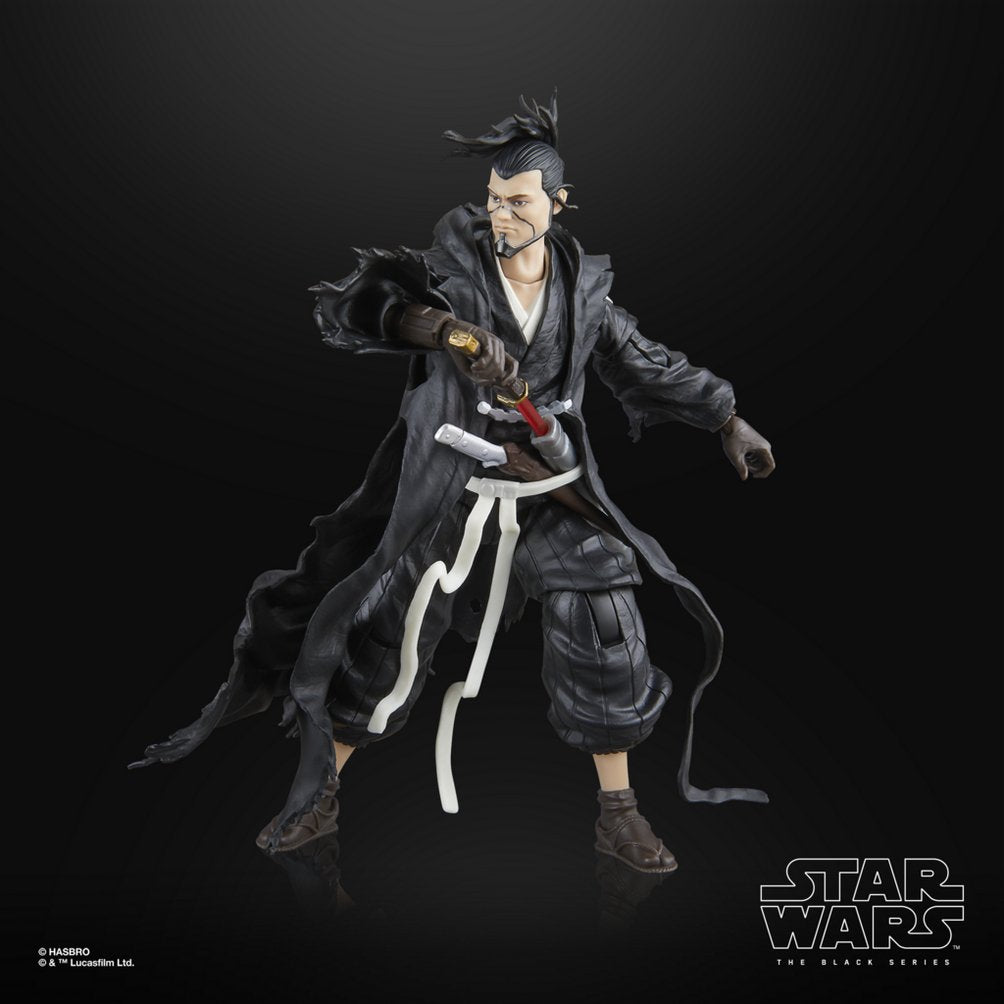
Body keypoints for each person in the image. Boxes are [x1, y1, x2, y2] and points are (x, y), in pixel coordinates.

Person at [131, 92, 775, 873]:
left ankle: (619, 813)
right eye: (494, 200)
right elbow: (369, 307)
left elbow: (649, 364)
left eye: (520, 202)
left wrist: (727, 417)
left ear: (558, 204)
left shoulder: (584, 295)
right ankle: (319, 794)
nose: (502, 216)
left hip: (548, 488)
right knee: (384, 637)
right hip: (451, 489)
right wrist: (445, 329)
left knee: (605, 625)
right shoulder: (454, 274)